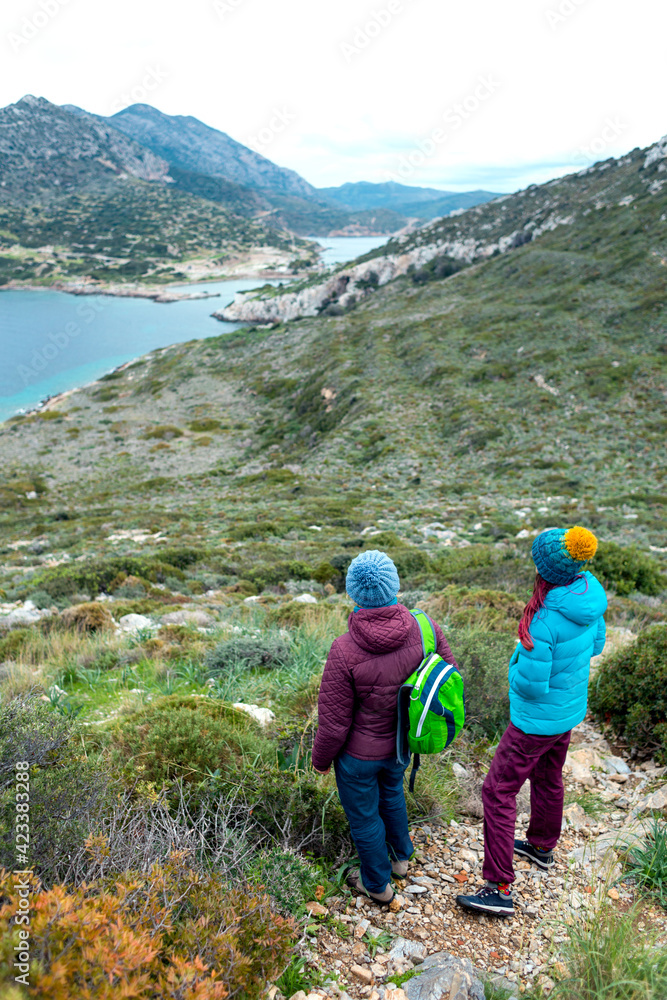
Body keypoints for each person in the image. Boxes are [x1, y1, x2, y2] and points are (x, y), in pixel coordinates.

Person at [457, 525, 606, 917]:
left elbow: (532, 686)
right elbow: (596, 646)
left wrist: (515, 664)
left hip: (534, 721)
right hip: (567, 713)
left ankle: (499, 888)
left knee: (497, 791)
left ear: (546, 571)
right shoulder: (590, 595)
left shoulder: (543, 621)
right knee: (547, 776)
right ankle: (541, 847)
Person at [311, 549, 457, 905]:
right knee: (392, 793)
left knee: (364, 817)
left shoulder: (343, 649)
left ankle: (376, 885)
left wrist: (320, 761)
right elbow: (448, 674)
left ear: (353, 594)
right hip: (400, 745)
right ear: (395, 585)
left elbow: (333, 724)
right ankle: (401, 858)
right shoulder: (425, 627)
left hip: (357, 758)